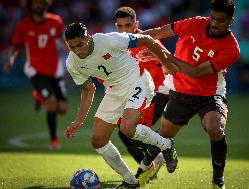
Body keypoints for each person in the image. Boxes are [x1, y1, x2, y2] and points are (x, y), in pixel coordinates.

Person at [136, 0, 240, 188]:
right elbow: (159, 32)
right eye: (213, 18)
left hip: (209, 94)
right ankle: (141, 172)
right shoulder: (196, 23)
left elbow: (196, 72)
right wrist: (131, 40)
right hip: (181, 89)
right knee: (165, 133)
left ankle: (218, 181)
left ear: (231, 21)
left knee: (215, 129)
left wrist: (162, 54)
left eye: (221, 20)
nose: (215, 24)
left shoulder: (231, 49)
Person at [63, 23, 178, 189]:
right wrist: (78, 121)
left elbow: (146, 39)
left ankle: (166, 145)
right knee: (98, 140)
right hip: (114, 90)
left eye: (80, 45)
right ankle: (131, 181)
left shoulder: (108, 40)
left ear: (88, 38)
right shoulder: (72, 63)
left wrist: (166, 63)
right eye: (71, 47)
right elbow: (89, 90)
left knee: (127, 129)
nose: (77, 51)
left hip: (137, 80)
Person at [3, 0, 68, 150]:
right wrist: (11, 60)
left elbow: (62, 41)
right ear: (30, 5)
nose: (39, 5)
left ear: (46, 4)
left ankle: (39, 96)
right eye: (36, 2)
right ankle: (54, 140)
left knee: (63, 109)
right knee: (51, 102)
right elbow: (16, 47)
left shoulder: (55, 21)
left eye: (42, 2)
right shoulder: (23, 25)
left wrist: (72, 55)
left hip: (55, 70)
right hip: (35, 70)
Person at [114, 6, 168, 184]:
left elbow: (169, 60)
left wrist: (157, 55)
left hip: (160, 91)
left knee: (128, 130)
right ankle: (155, 159)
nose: (123, 30)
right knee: (125, 132)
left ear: (136, 24)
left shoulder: (147, 40)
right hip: (139, 92)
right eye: (120, 26)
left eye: (127, 25)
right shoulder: (117, 45)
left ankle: (154, 161)